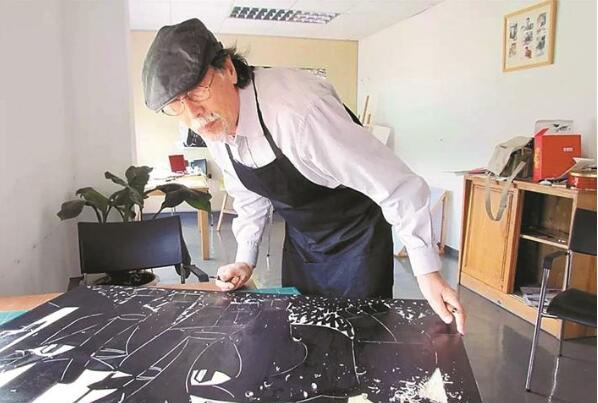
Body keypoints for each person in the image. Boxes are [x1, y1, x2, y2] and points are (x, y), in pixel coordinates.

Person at [142, 18, 465, 334]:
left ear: (228, 69)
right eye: (175, 104)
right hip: (304, 242)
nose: (193, 114)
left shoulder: (301, 113)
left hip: (356, 238)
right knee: (301, 334)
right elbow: (249, 195)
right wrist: (245, 260)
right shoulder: (214, 126)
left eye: (197, 91)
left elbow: (398, 187)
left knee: (359, 338)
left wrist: (428, 273)